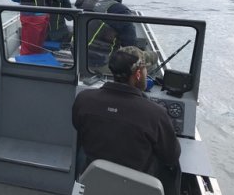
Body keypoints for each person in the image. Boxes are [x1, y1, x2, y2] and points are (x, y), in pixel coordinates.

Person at [72, 46, 181, 195]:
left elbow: (78, 126)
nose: (146, 73)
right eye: (145, 70)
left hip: (93, 180)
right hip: (136, 188)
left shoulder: (84, 99)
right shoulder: (156, 114)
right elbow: (171, 156)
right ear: (137, 74)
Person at [81, 0, 137, 67]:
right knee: (153, 57)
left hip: (76, 54)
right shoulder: (121, 11)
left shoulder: (87, 0)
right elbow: (130, 45)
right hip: (101, 62)